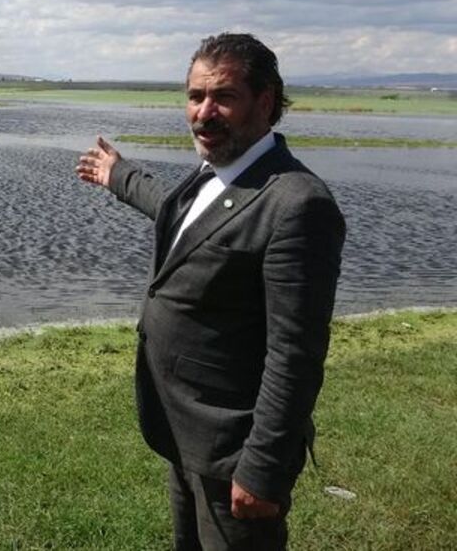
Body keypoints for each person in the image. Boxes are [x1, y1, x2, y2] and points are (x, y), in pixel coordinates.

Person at [75, 33, 345, 550]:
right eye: (195, 96)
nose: (204, 112)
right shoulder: (213, 176)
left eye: (223, 96)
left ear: (265, 102)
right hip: (186, 429)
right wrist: (118, 175)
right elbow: (174, 213)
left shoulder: (296, 204)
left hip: (234, 448)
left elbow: (295, 355)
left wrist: (262, 468)